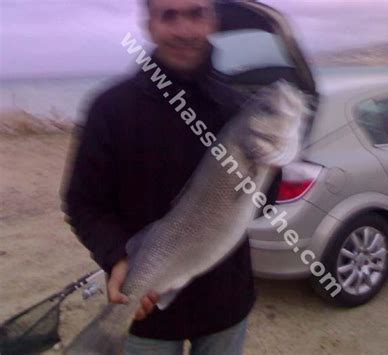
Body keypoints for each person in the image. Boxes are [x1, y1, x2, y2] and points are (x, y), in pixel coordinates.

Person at [61, 0, 280, 354]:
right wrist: (118, 258)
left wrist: (271, 163)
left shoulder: (238, 109)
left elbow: (262, 205)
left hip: (227, 303)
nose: (184, 30)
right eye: (169, 16)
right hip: (147, 307)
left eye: (195, 13)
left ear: (212, 21)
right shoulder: (110, 109)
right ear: (150, 25)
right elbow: (83, 203)